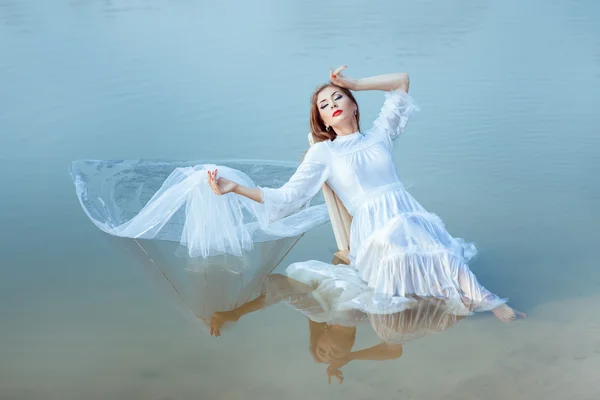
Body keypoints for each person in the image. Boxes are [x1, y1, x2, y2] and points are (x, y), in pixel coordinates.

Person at [207, 66, 525, 322]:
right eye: (323, 105)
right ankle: (485, 302)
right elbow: (288, 197)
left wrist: (356, 83)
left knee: (439, 248)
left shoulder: (380, 135)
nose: (331, 106)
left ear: (353, 105)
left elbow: (401, 81)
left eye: (337, 98)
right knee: (409, 242)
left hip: (407, 211)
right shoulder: (323, 154)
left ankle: (489, 302)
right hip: (373, 227)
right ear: (320, 119)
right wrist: (235, 188)